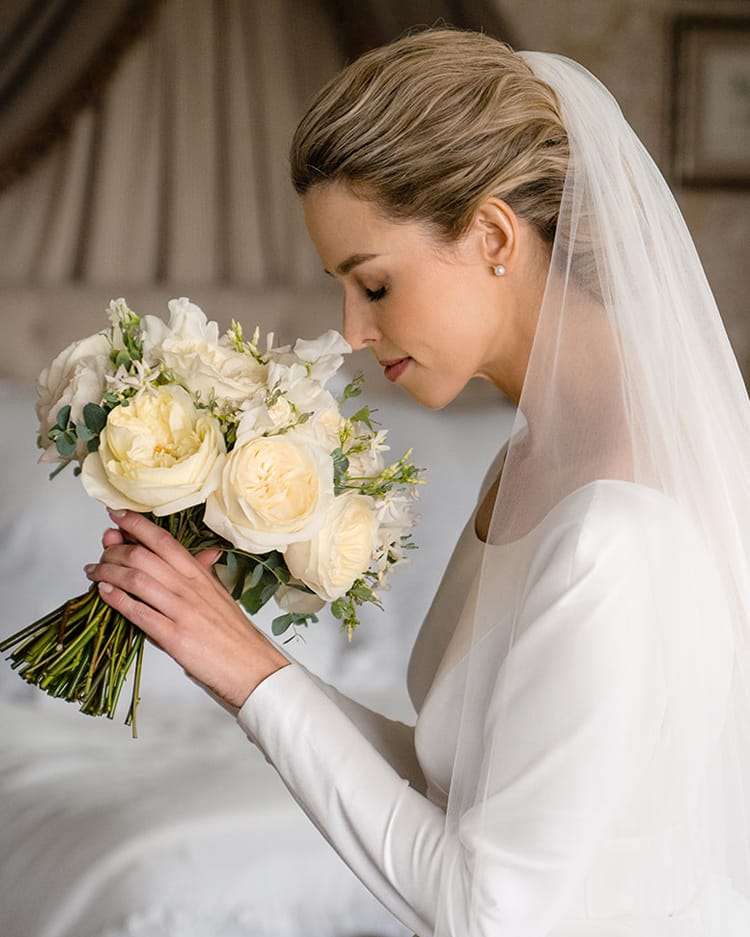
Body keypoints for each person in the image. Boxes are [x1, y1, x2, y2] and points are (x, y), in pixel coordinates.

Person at [84, 28, 750, 937]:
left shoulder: (620, 527)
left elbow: (493, 913)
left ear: (491, 235)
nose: (353, 331)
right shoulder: (526, 461)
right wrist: (224, 646)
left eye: (376, 286)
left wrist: (255, 675)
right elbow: (458, 787)